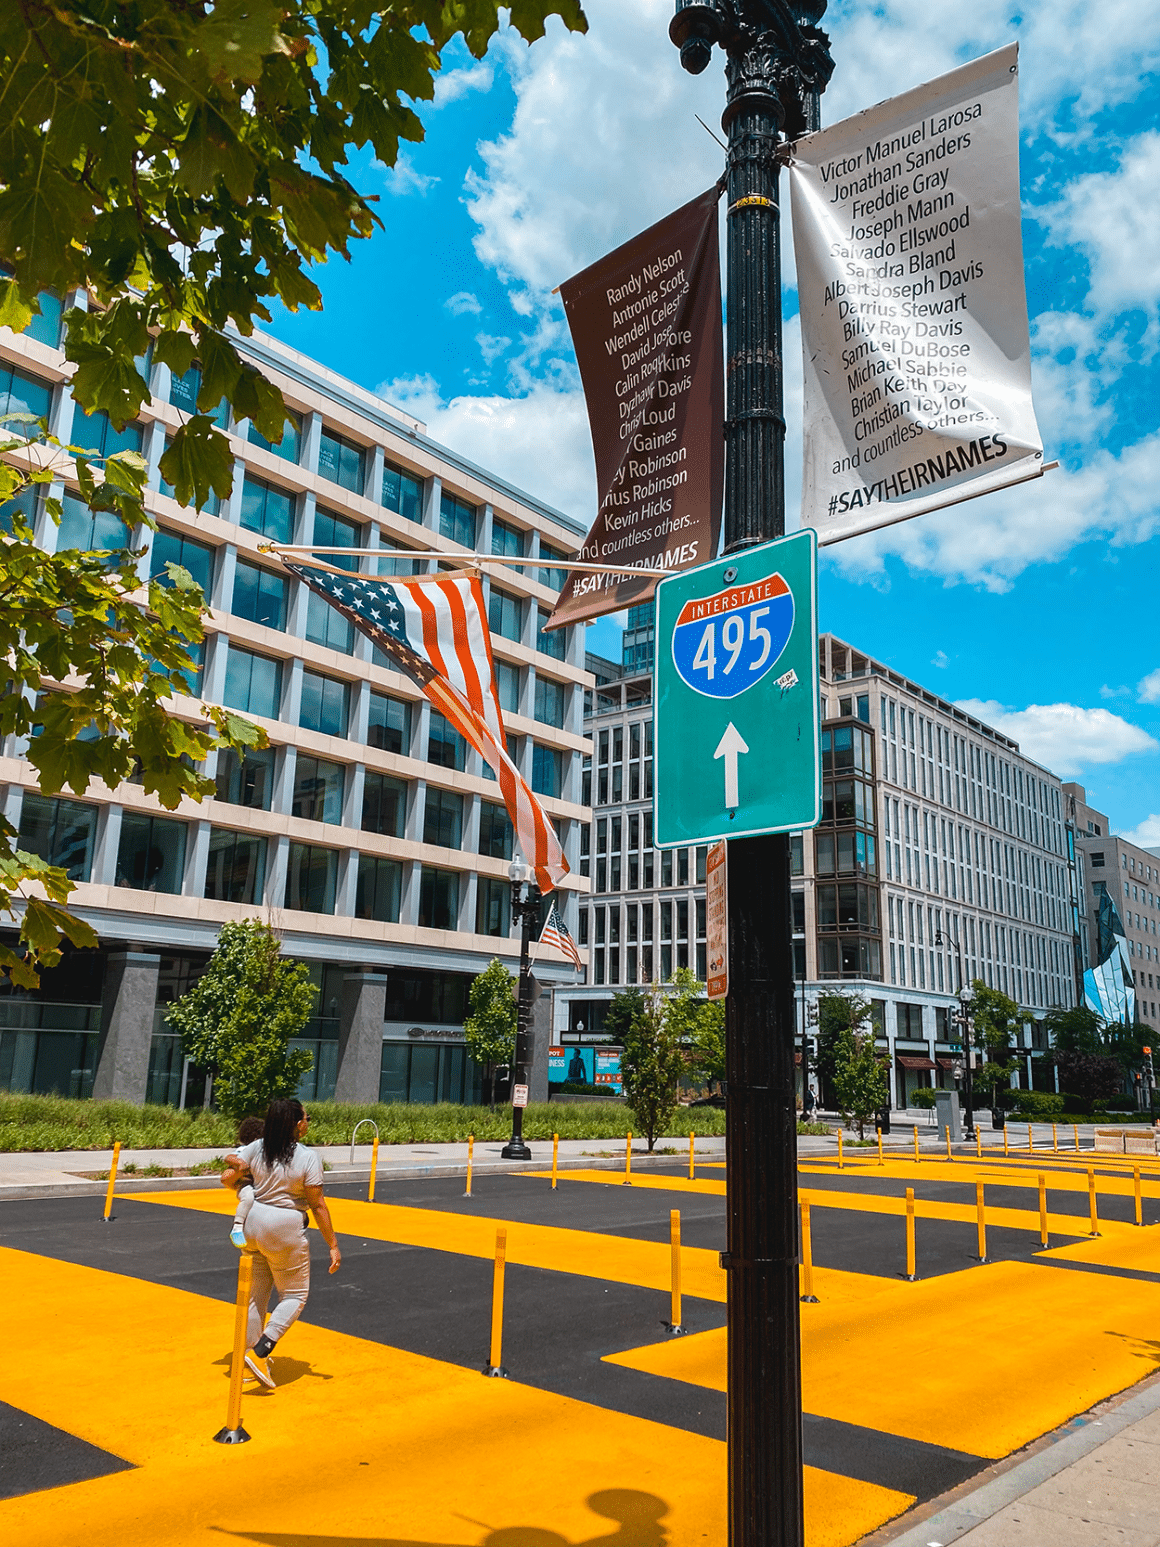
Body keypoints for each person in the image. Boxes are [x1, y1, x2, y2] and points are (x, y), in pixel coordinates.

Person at [220, 1098, 341, 1389]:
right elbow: (317, 1204)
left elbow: (231, 1162)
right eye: (306, 1118)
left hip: (252, 1221)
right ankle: (263, 1347)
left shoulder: (257, 1147)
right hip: (284, 1225)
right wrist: (333, 1244)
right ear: (297, 1124)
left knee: (254, 1296)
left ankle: (248, 1361)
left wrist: (236, 1165)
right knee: (295, 1295)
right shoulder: (306, 1157)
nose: (308, 1122)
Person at [228, 1115, 265, 1249]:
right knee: (248, 1197)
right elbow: (229, 1157)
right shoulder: (244, 1150)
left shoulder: (262, 1151)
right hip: (246, 1184)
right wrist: (240, 1163)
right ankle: (237, 1227)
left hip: (258, 1183)